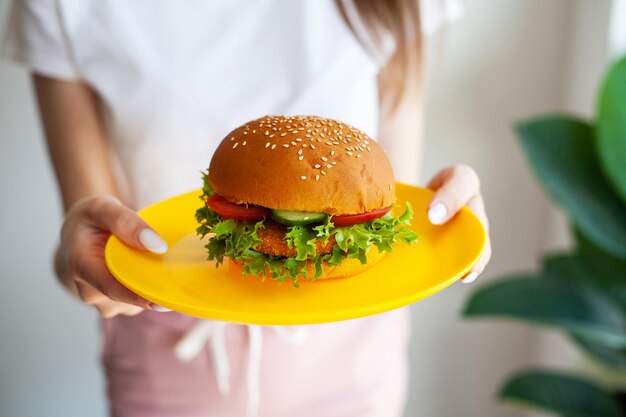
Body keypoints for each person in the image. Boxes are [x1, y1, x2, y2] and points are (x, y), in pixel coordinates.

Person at [3, 0, 491, 416]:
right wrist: (87, 262)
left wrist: (445, 224)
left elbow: (387, 214)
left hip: (356, 358)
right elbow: (86, 244)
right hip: (169, 363)